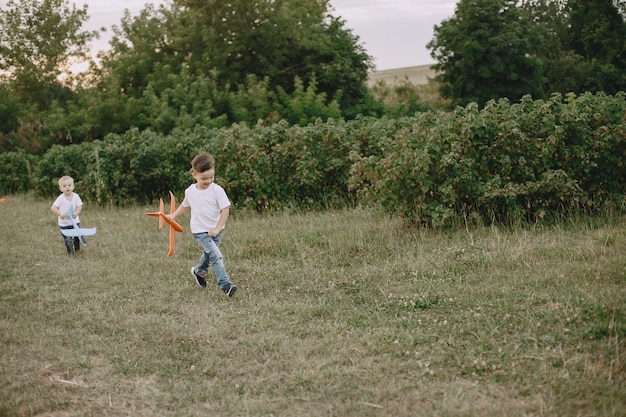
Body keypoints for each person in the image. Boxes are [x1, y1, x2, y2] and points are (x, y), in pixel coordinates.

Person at [167, 152, 238, 297]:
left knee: (209, 254)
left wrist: (217, 228)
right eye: (204, 178)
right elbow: (186, 205)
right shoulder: (190, 191)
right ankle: (225, 285)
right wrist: (173, 215)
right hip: (200, 231)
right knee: (216, 256)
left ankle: (199, 272)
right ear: (194, 175)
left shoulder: (217, 190)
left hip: (216, 230)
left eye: (211, 177)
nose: (208, 181)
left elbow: (225, 209)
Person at [51, 176, 84, 255]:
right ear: (61, 189)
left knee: (77, 237)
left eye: (69, 185)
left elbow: (79, 206)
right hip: (64, 224)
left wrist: (76, 213)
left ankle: (77, 249)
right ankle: (70, 253)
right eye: (64, 186)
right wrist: (60, 214)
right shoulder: (61, 198)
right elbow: (53, 207)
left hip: (75, 222)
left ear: (73, 186)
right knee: (68, 239)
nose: (67, 187)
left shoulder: (76, 196)